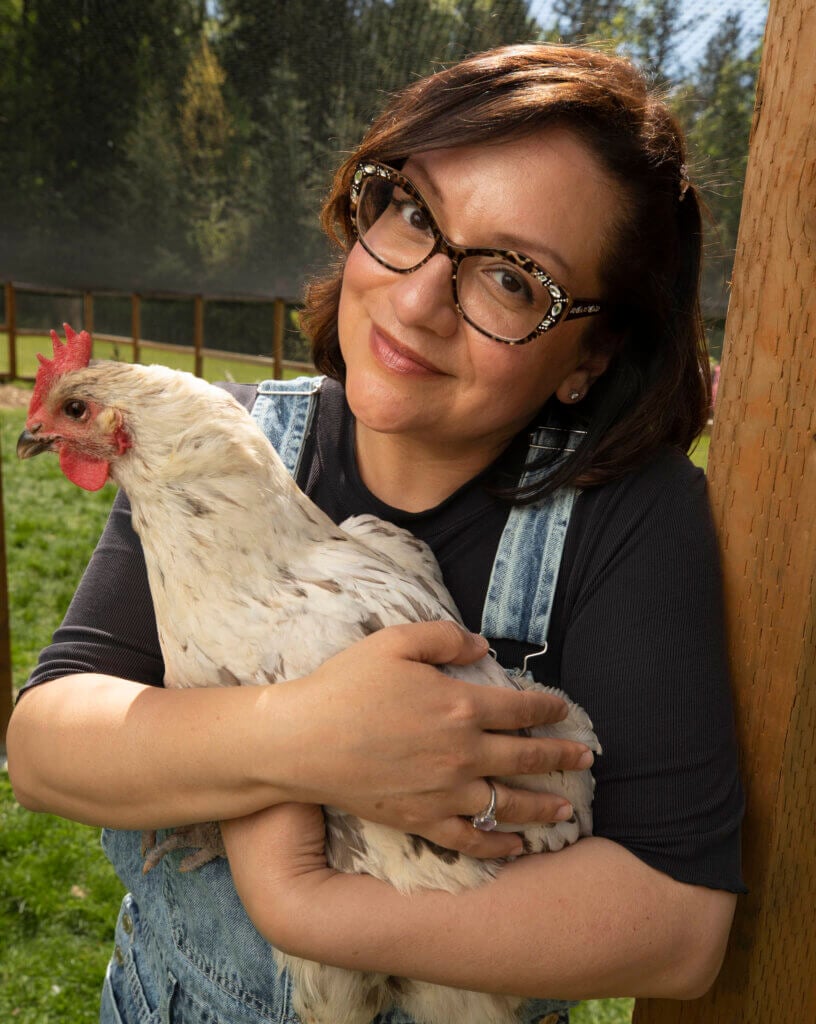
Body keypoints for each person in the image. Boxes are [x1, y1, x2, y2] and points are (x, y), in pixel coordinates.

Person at [8, 42, 744, 1024]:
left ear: (591, 353)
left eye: (514, 281)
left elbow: (679, 926)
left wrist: (308, 903)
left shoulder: (628, 523)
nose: (416, 299)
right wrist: (302, 740)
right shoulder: (226, 447)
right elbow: (46, 745)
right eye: (414, 213)